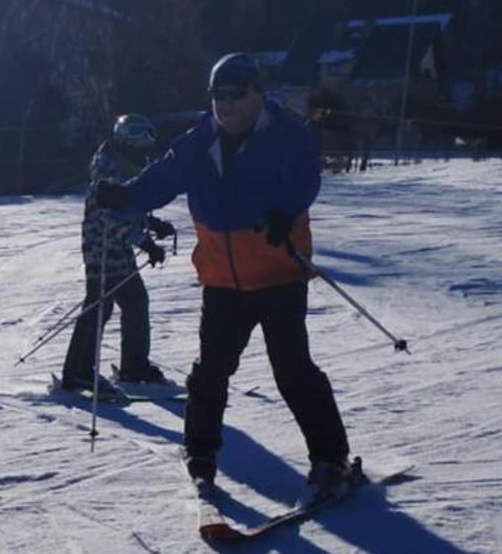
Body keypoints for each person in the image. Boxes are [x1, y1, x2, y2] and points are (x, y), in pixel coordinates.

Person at [93, 52, 353, 494]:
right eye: (218, 95)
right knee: (210, 372)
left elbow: (306, 178)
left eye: (236, 95)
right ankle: (200, 453)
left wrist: (285, 214)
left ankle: (331, 459)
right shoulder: (199, 142)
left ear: (258, 93)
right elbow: (162, 178)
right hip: (222, 280)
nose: (226, 104)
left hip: (277, 276)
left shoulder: (285, 134)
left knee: (293, 371)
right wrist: (125, 198)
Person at [58, 112, 176, 402]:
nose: (144, 146)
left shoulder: (124, 164)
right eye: (137, 139)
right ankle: (78, 371)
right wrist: (145, 242)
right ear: (124, 139)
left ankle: (134, 365)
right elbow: (112, 217)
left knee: (135, 302)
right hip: (102, 248)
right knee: (99, 306)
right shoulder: (109, 169)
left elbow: (130, 203)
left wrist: (151, 222)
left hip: (118, 249)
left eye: (148, 139)